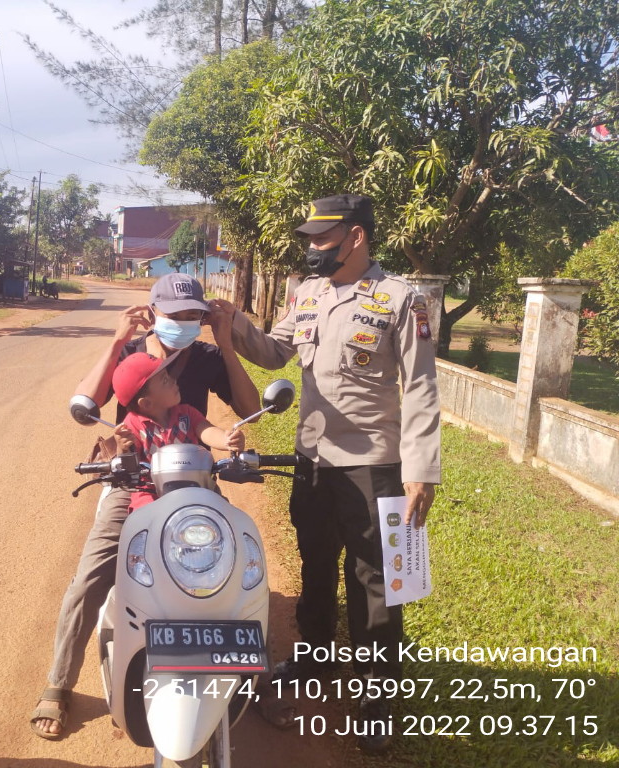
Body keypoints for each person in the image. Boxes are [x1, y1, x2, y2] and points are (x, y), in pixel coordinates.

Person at [218, 194, 441, 754]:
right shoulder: (308, 293)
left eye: (322, 237)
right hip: (313, 459)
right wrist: (233, 323)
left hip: (373, 463)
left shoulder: (401, 299)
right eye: (311, 239)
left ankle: (376, 693)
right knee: (315, 561)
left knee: (375, 579)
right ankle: (316, 655)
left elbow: (419, 386)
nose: (313, 247)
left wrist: (421, 469)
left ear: (355, 237)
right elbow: (275, 352)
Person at [30, 273, 261, 740]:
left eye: (194, 314)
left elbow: (245, 407)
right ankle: (59, 682)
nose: (186, 321)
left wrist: (226, 343)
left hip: (193, 481)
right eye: (176, 314)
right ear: (153, 313)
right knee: (90, 578)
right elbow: (88, 403)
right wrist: (117, 341)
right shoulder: (131, 356)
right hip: (132, 486)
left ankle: (255, 678)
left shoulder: (207, 357)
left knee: (237, 566)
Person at [111, 351, 245, 511]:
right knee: (144, 516)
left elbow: (206, 430)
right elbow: (127, 464)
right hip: (151, 492)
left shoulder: (186, 414)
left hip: (196, 484)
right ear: (146, 403)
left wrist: (226, 440)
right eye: (165, 380)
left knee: (223, 513)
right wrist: (123, 447)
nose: (174, 380)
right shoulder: (132, 425)